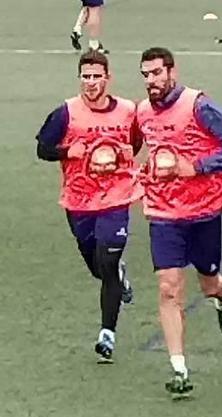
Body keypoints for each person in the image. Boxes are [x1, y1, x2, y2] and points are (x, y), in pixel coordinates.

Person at [135, 47, 222, 398]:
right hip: (163, 213)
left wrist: (195, 167)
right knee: (169, 287)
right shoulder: (141, 113)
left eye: (156, 73)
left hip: (203, 212)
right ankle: (179, 368)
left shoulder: (200, 106)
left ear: (172, 71)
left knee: (208, 282)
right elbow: (137, 149)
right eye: (146, 75)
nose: (151, 81)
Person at [35, 50, 140, 363]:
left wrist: (118, 160)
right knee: (96, 264)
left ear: (108, 78)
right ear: (79, 78)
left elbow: (135, 142)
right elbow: (43, 148)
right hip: (79, 200)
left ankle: (107, 334)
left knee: (107, 261)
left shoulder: (127, 110)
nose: (91, 83)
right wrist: (69, 150)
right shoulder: (66, 113)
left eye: (97, 76)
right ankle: (117, 277)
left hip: (117, 196)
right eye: (86, 76)